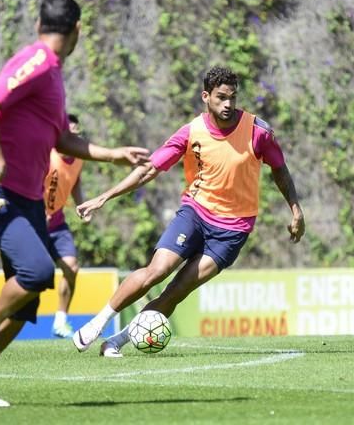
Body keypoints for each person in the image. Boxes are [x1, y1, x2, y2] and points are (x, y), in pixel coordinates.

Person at [0, 0, 149, 408]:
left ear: (40, 22)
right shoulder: (38, 61)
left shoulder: (54, 76)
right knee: (38, 271)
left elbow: (62, 138)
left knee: (24, 309)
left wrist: (114, 154)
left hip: (27, 201)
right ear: (77, 30)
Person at [72, 66, 305, 358]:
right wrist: (105, 196)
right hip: (195, 214)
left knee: (176, 291)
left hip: (233, 231)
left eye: (232, 97)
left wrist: (295, 210)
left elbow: (280, 169)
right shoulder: (191, 132)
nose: (228, 104)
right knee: (157, 271)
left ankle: (117, 341)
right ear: (205, 96)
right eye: (221, 97)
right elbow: (149, 170)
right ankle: (97, 323)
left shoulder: (259, 132)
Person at [44, 113, 85, 339]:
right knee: (30, 276)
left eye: (75, 133)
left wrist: (82, 205)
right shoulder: (47, 155)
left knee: (72, 267)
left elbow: (75, 182)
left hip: (57, 224)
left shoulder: (79, 159)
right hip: (34, 224)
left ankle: (60, 322)